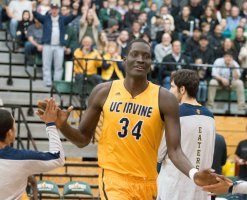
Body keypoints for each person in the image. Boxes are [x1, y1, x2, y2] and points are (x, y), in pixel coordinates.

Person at [38, 39, 218, 200]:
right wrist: (62, 125)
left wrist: (194, 174)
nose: (140, 59)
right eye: (135, 54)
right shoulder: (103, 91)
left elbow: (175, 150)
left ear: (150, 63)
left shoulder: (165, 99)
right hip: (114, 179)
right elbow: (82, 139)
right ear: (125, 60)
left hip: (147, 182)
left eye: (146, 56)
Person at [157, 69, 216, 200]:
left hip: (174, 188)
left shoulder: (174, 113)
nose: (170, 91)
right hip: (200, 190)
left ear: (182, 89)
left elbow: (159, 154)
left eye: (172, 87)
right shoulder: (210, 117)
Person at [0, 99, 65, 199]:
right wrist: (50, 124)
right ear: (10, 133)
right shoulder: (21, 158)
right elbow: (58, 158)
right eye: (14, 125)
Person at [211, 133, 227, 200]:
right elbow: (223, 161)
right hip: (216, 175)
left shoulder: (201, 136)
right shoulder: (221, 138)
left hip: (201, 175)